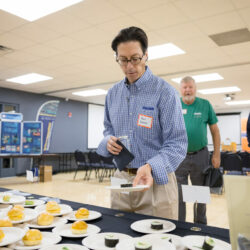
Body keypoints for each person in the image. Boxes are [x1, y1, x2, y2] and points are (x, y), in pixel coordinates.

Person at [97, 26, 187, 219]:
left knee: (157, 242)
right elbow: (108, 130)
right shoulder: (112, 94)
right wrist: (108, 142)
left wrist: (150, 166)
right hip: (122, 180)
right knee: (119, 237)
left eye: (135, 58)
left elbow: (177, 144)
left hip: (156, 182)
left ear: (146, 56)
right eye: (123, 60)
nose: (129, 66)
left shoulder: (165, 92)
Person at [175, 76, 221, 225]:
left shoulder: (205, 105)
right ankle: (180, 224)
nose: (188, 90)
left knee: (199, 194)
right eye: (184, 87)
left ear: (195, 88)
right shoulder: (175, 105)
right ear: (180, 90)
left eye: (190, 87)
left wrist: (216, 154)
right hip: (179, 155)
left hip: (200, 155)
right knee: (179, 194)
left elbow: (215, 131)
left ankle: (200, 226)